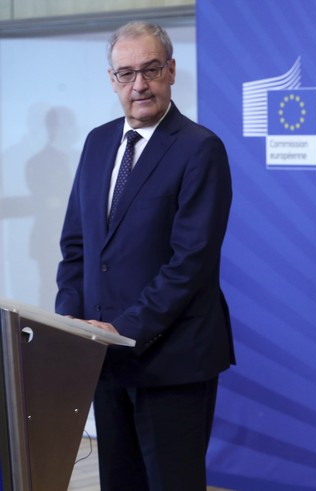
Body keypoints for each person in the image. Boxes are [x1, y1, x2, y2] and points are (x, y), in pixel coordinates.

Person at [55, 21, 234, 490]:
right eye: (126, 73)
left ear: (171, 71)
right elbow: (77, 246)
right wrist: (70, 326)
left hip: (171, 358)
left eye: (151, 69)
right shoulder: (97, 142)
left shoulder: (200, 149)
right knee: (119, 482)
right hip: (104, 358)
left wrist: (124, 330)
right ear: (111, 80)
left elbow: (190, 262)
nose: (140, 84)